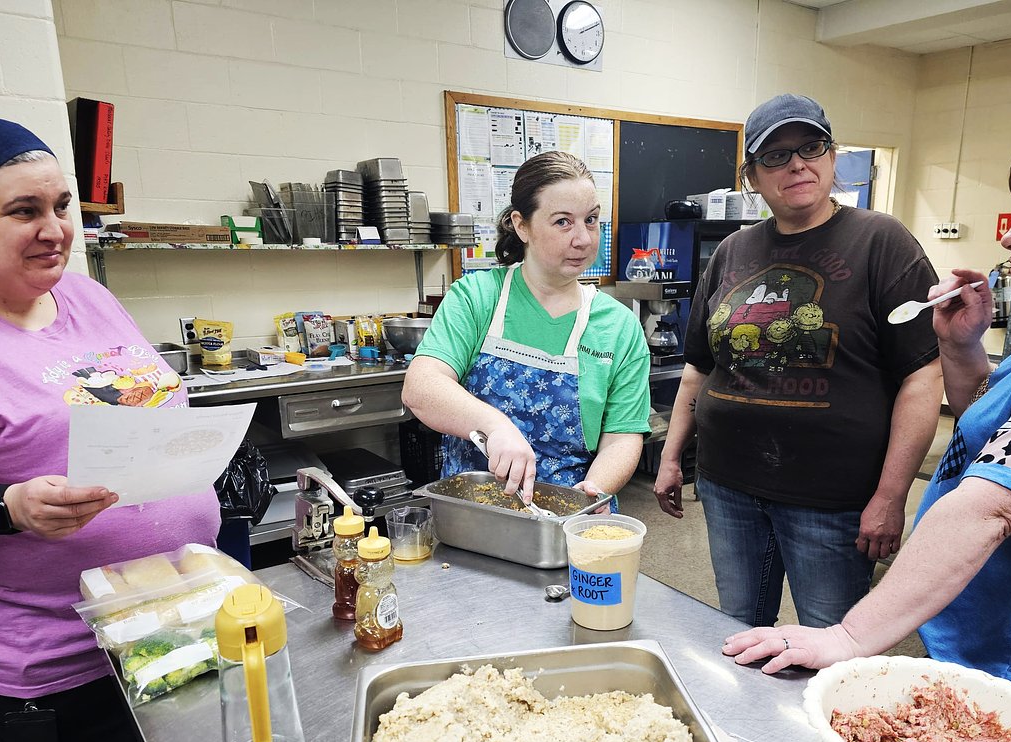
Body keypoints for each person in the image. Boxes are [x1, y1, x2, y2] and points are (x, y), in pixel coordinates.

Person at [723, 115, 1011, 722]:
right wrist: (961, 348)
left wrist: (849, 637)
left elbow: (997, 504)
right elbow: (994, 438)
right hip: (982, 644)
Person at [0, 114, 219, 742]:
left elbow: (144, 408)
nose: (55, 230)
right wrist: (10, 505)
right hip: (49, 668)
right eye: (24, 210)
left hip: (168, 627)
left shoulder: (89, 299)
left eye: (63, 205)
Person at [653, 94, 944, 628]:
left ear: (832, 157)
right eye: (776, 156)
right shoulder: (732, 251)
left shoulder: (882, 242)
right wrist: (673, 456)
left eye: (811, 147)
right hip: (727, 484)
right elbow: (699, 367)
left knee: (832, 643)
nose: (796, 165)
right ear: (752, 178)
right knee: (737, 629)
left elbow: (923, 374)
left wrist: (891, 494)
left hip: (831, 498)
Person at [402, 151, 651, 502]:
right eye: (563, 222)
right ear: (522, 225)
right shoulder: (478, 297)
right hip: (470, 512)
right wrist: (495, 426)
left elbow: (622, 436)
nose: (583, 238)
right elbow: (421, 388)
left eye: (591, 220)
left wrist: (593, 493)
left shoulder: (619, 326)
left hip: (564, 515)